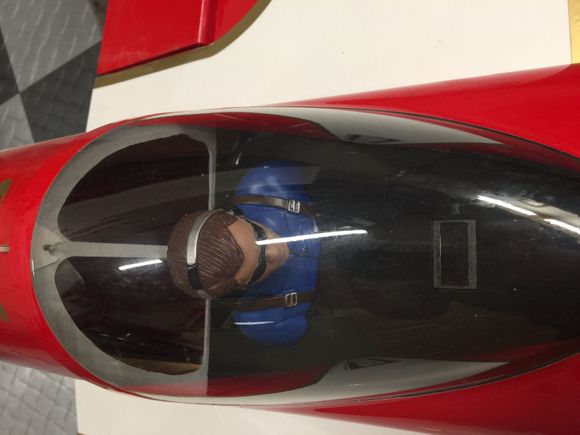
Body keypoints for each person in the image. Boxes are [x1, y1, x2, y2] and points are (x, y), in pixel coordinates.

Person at [167, 161, 320, 346]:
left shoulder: (265, 185)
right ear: (240, 287)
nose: (273, 252)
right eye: (259, 268)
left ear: (236, 216)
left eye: (259, 235)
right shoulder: (265, 321)